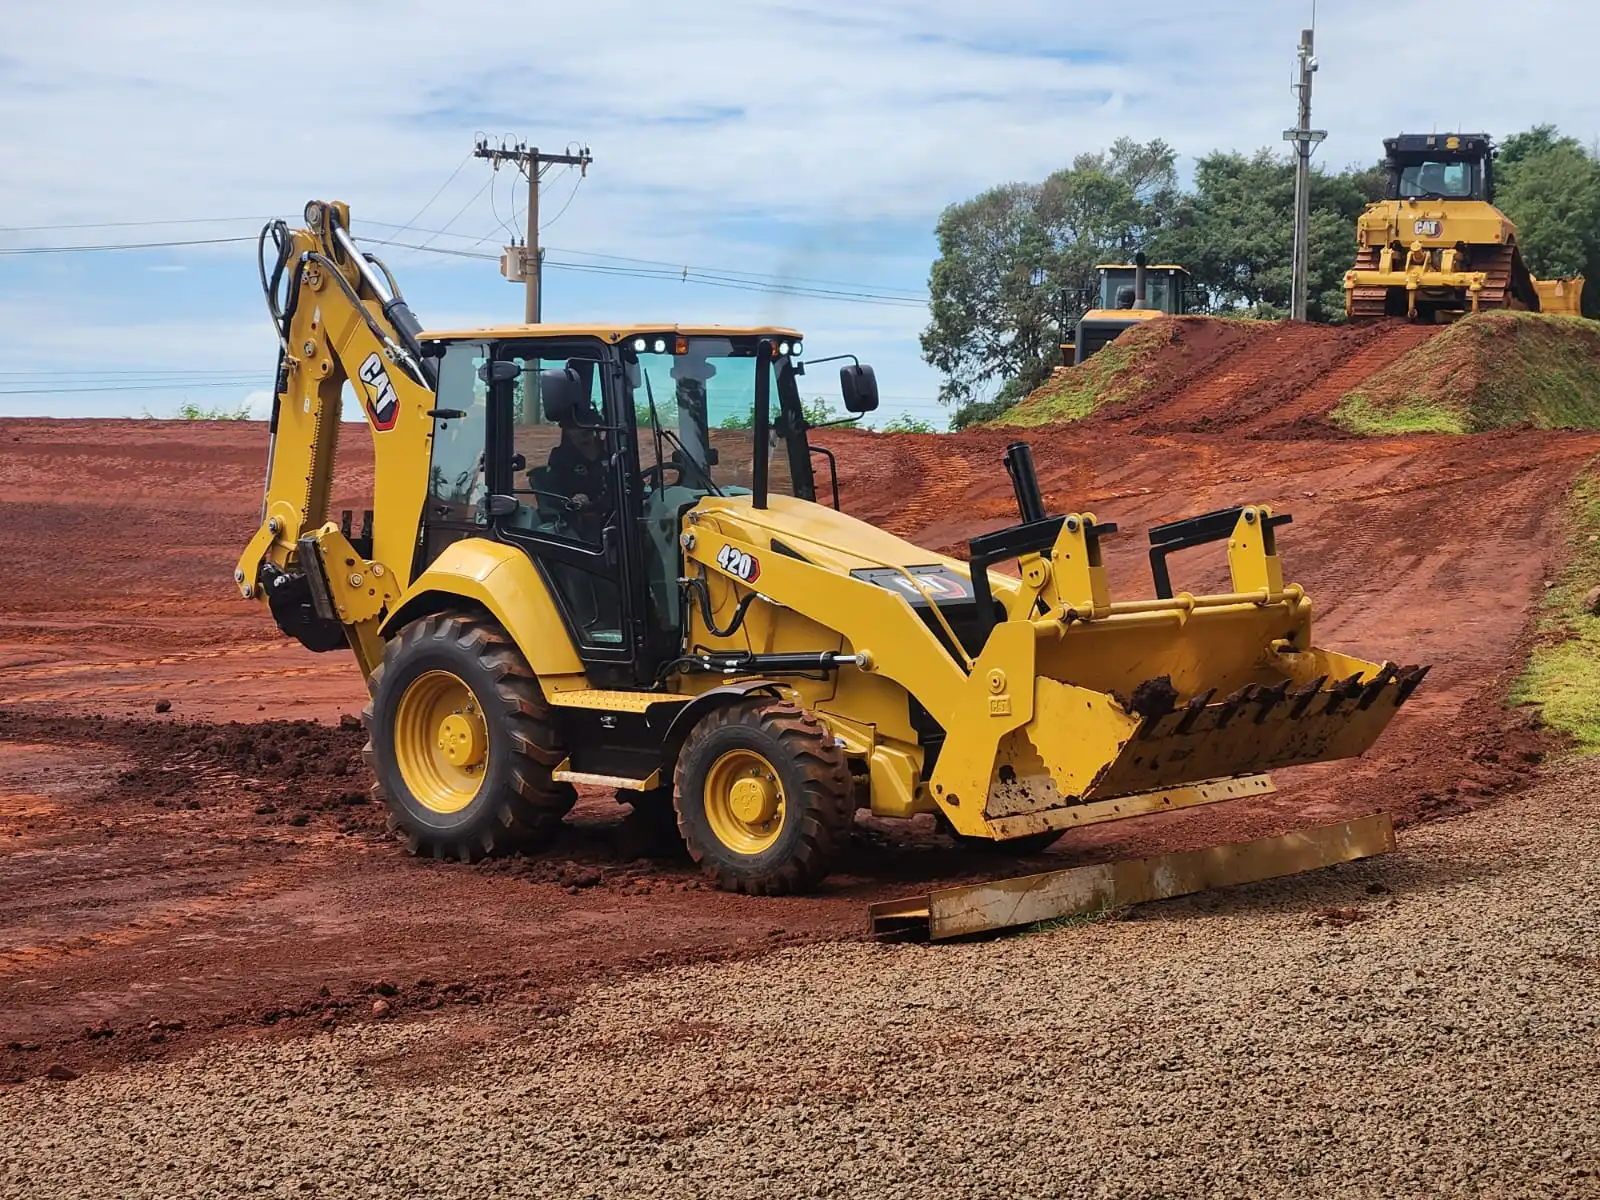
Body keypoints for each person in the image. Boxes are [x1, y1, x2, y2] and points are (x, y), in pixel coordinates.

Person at [544, 398, 610, 542]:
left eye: (587, 425)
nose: (583, 431)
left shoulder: (611, 452)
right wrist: (572, 501)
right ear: (567, 430)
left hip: (615, 518)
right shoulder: (561, 458)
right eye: (575, 427)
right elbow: (550, 494)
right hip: (576, 526)